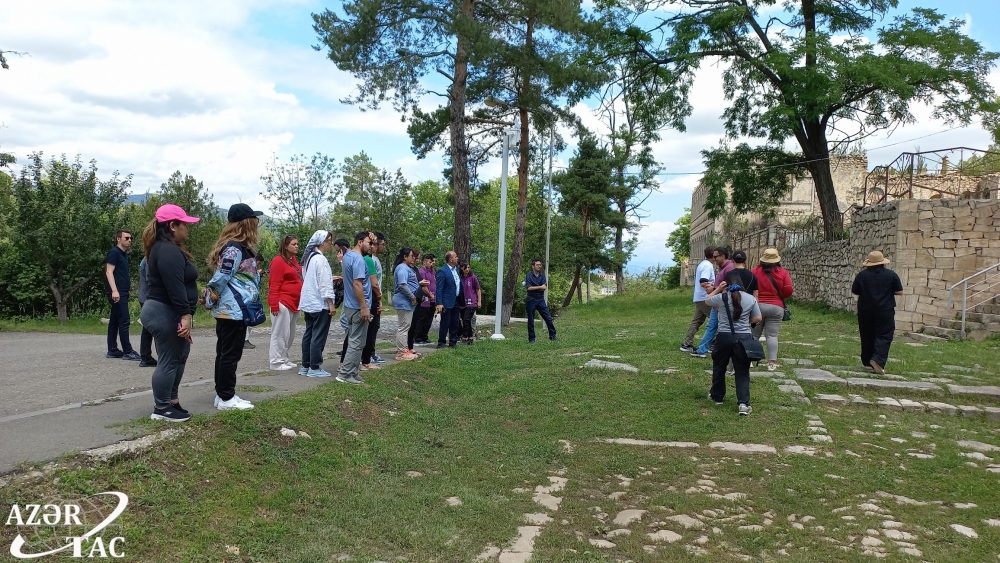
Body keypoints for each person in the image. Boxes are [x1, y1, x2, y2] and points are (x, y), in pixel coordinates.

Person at [140, 204, 200, 422]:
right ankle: (162, 408)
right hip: (164, 311)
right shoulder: (167, 250)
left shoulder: (166, 248)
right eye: (185, 224)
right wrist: (185, 315)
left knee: (179, 356)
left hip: (167, 310)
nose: (187, 228)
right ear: (173, 226)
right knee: (169, 359)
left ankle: (171, 401)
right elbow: (174, 286)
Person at [205, 203, 264, 411]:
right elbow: (221, 277)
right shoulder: (234, 248)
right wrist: (209, 299)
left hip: (235, 310)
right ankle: (226, 398)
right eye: (254, 220)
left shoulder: (240, 247)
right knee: (230, 354)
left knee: (225, 353)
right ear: (245, 223)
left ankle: (223, 394)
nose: (257, 224)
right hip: (232, 311)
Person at [706, 271, 762, 416]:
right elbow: (758, 318)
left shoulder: (721, 298)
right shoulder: (750, 298)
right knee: (742, 371)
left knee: (719, 366)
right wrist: (746, 320)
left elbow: (707, 300)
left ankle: (717, 397)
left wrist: (718, 289)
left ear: (726, 283)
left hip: (724, 337)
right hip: (744, 337)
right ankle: (743, 404)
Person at [851, 250, 903, 375]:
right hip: (885, 309)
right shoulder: (891, 275)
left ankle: (868, 360)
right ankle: (878, 360)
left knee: (867, 334)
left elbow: (855, 291)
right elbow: (899, 292)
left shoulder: (861, 275)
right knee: (884, 334)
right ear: (883, 262)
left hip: (865, 310)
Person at [337, 231, 374, 384]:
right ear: (360, 242)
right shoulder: (358, 259)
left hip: (350, 306)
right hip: (358, 307)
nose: (371, 246)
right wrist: (364, 307)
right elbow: (357, 284)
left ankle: (353, 372)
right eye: (369, 243)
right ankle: (345, 374)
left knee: (358, 341)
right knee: (356, 342)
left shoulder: (348, 256)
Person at [298, 231, 336, 377]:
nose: (330, 243)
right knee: (318, 335)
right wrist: (330, 303)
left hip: (309, 302)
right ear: (321, 242)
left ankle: (305, 365)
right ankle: (314, 367)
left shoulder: (309, 258)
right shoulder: (320, 259)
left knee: (309, 333)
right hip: (319, 303)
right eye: (329, 240)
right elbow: (324, 283)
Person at [751, 248, 793, 371]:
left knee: (754, 334)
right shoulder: (783, 272)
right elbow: (788, 291)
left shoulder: (755, 271)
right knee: (772, 335)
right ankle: (771, 363)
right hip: (776, 307)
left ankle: (750, 360)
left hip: (757, 307)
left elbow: (749, 288)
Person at [267, 234, 303, 371]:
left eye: (297, 244)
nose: (297, 246)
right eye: (294, 244)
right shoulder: (278, 261)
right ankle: (276, 361)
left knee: (289, 334)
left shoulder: (292, 260)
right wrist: (274, 304)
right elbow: (274, 284)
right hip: (283, 301)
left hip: (294, 303)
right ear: (286, 246)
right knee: (280, 333)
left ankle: (284, 357)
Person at [104, 229, 141, 361]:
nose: (129, 240)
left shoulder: (123, 254)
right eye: (126, 238)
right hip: (117, 292)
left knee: (114, 321)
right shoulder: (114, 252)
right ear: (118, 239)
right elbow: (109, 271)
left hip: (122, 291)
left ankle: (112, 350)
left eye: (130, 238)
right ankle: (128, 351)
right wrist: (114, 290)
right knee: (124, 320)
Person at [692, 246, 734, 358]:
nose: (714, 259)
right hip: (717, 303)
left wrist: (713, 289)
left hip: (723, 303)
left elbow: (728, 286)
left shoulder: (729, 268)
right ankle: (702, 350)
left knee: (722, 327)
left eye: (716, 257)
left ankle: (722, 349)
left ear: (723, 256)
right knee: (711, 326)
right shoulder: (722, 267)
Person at [681, 246, 716, 352]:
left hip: (699, 297)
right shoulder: (708, 266)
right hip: (705, 298)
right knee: (716, 320)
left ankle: (687, 343)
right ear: (714, 256)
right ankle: (712, 343)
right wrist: (714, 288)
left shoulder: (702, 264)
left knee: (697, 321)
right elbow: (703, 281)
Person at [361, 233, 386, 369]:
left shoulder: (374, 260)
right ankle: (366, 357)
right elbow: (374, 283)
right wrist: (379, 297)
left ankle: (370, 354)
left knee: (374, 328)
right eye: (381, 244)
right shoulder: (369, 260)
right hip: (371, 297)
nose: (383, 247)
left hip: (373, 297)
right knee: (370, 328)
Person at [392, 248, 420, 361]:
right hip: (403, 301)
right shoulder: (402, 268)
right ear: (405, 257)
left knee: (406, 326)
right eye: (412, 256)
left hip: (407, 302)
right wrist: (412, 296)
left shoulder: (406, 268)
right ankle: (401, 352)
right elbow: (402, 285)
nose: (413, 258)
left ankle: (405, 349)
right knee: (403, 327)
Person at [524, 258, 557, 343]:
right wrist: (539, 287)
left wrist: (535, 287)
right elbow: (528, 288)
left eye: (540, 265)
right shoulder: (529, 275)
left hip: (540, 299)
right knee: (531, 320)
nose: (539, 266)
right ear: (533, 266)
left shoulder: (542, 275)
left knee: (548, 318)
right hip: (531, 299)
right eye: (537, 265)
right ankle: (532, 339)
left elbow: (544, 287)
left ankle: (553, 336)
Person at [435, 250, 462, 348]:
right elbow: (439, 288)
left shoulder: (456, 270)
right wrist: (439, 303)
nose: (457, 258)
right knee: (445, 323)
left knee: (455, 322)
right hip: (446, 301)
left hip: (456, 299)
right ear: (450, 259)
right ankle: (441, 342)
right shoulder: (443, 271)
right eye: (455, 257)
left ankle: (453, 342)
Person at [412, 254, 437, 345]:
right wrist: (430, 294)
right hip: (425, 299)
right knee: (422, 318)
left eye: (433, 261)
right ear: (424, 262)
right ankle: (417, 338)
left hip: (433, 299)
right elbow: (423, 286)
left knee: (429, 319)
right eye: (430, 262)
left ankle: (424, 337)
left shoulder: (433, 271)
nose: (432, 263)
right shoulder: (421, 272)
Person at [137, 256, 157, 367]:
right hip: (148, 297)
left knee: (148, 328)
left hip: (145, 296)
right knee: (148, 328)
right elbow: (151, 279)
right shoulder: (149, 259)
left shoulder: (147, 258)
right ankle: (145, 357)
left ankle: (146, 356)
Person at [458, 261, 482, 345]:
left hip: (472, 302)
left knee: (466, 319)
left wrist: (479, 301)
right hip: (462, 303)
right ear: (461, 268)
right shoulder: (459, 277)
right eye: (465, 268)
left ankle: (464, 337)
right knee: (466, 321)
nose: (467, 269)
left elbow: (478, 289)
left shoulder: (473, 277)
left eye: (468, 267)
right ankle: (470, 337)